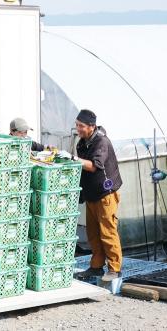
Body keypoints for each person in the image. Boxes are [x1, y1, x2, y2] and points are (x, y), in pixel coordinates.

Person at [61, 109, 123, 282]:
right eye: (77, 125)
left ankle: (115, 269)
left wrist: (72, 158)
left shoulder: (101, 142)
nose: (78, 129)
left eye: (81, 126)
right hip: (92, 195)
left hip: (106, 193)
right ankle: (96, 267)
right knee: (93, 233)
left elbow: (93, 166)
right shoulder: (82, 143)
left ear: (91, 126)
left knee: (108, 231)